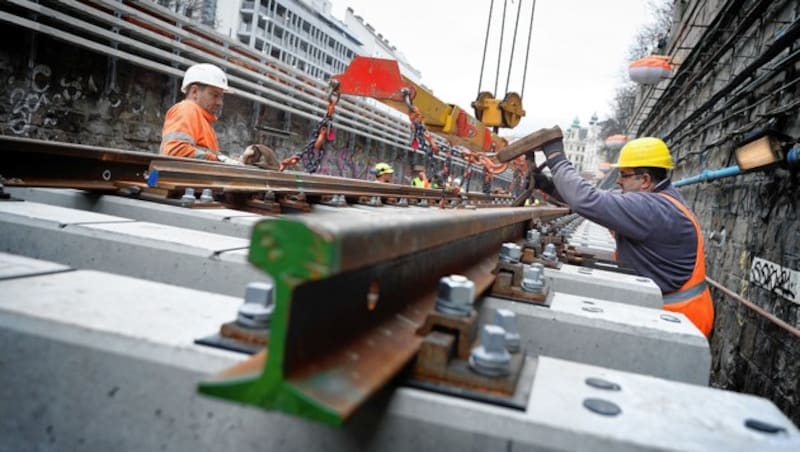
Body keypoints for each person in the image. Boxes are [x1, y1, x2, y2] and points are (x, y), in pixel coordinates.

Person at [531, 128, 714, 337]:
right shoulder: (660, 201)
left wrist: (556, 157)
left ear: (645, 180)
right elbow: (600, 201)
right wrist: (549, 185)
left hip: (680, 320)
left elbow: (588, 200)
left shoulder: (653, 209)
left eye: (624, 175)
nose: (618, 181)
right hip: (672, 312)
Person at [160, 63, 239, 164]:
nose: (220, 103)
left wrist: (228, 160)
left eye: (221, 97)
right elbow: (176, 151)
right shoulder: (187, 109)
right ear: (194, 92)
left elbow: (206, 155)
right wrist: (220, 160)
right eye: (215, 95)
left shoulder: (202, 119)